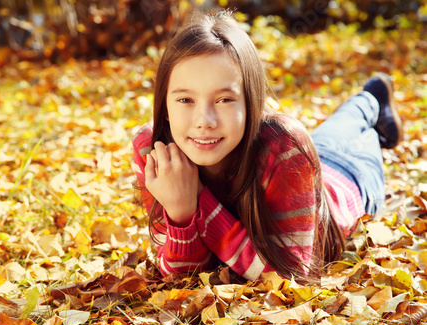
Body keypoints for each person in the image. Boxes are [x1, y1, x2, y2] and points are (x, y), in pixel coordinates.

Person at [132, 11, 402, 282]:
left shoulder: (284, 145)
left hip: (348, 179)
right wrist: (181, 213)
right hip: (303, 165)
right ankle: (371, 100)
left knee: (368, 135)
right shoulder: (154, 151)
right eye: (185, 100)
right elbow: (182, 277)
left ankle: (371, 97)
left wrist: (197, 199)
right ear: (164, 105)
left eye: (224, 100)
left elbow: (289, 278)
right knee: (332, 133)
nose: (204, 122)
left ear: (252, 103)